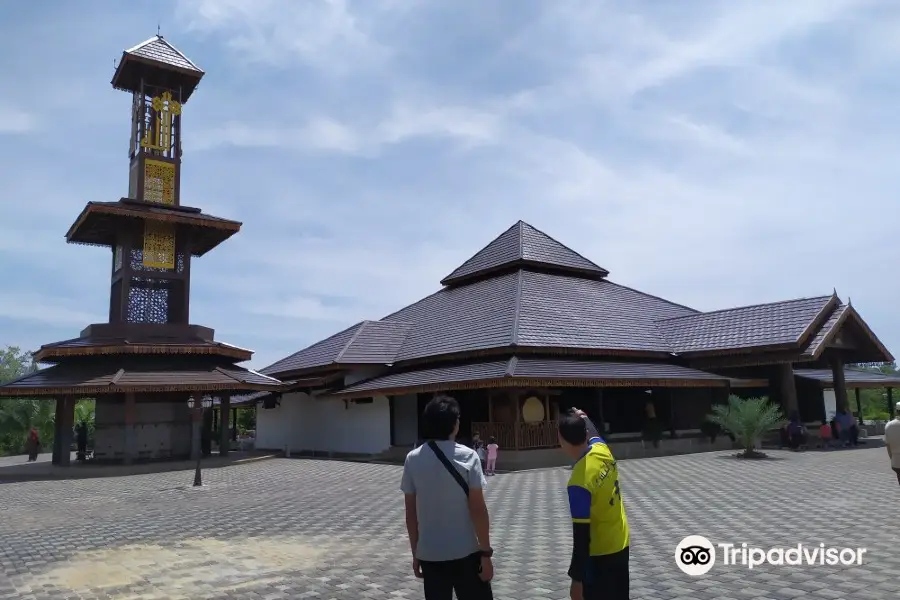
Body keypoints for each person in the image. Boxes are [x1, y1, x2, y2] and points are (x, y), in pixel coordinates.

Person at [401, 395, 494, 599]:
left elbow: (411, 514)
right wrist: (486, 553)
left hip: (430, 554)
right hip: (466, 552)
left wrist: (415, 552)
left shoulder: (412, 459)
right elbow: (478, 509)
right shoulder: (469, 456)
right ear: (455, 424)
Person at [560, 408, 630, 600]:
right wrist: (584, 417)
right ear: (586, 434)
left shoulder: (578, 481)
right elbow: (595, 434)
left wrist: (577, 579)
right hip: (621, 543)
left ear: (562, 440)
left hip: (600, 556)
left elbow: (581, 536)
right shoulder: (602, 450)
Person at [884, 403, 900, 486]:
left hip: (896, 461)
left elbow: (888, 446)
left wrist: (892, 458)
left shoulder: (889, 425)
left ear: (897, 411)